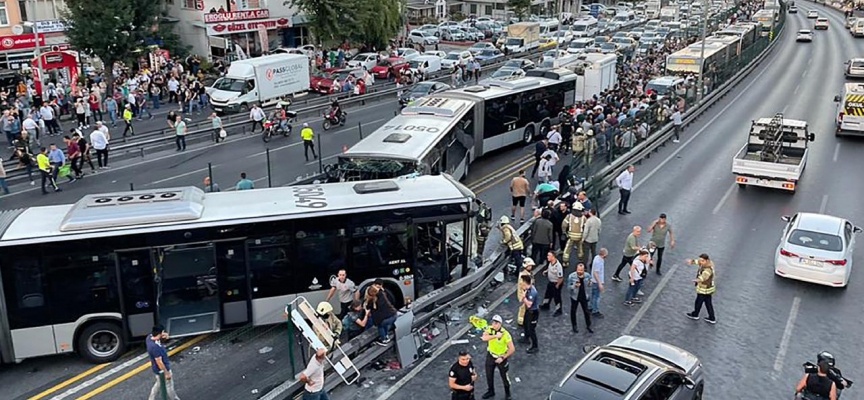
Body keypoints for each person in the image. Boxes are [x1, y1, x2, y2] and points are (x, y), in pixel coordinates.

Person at [480, 315, 514, 400]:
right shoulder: (489, 329)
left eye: (496, 323)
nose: (494, 325)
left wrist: (502, 357)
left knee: (504, 376)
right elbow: (484, 338)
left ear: (500, 324)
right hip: (491, 355)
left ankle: (508, 393)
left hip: (501, 357)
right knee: (489, 375)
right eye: (493, 322)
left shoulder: (505, 334)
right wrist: (495, 336)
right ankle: (491, 391)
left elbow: (512, 349)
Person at [146, 326, 180, 400]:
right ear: (160, 333)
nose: (164, 333)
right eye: (163, 332)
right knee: (169, 385)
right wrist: (166, 373)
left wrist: (164, 338)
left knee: (159, 383)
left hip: (156, 369)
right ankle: (174, 398)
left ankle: (151, 398)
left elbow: (158, 339)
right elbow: (159, 362)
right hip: (161, 369)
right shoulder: (154, 348)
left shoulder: (149, 338)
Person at [685, 253, 716, 324]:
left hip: (704, 289)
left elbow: (704, 276)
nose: (700, 262)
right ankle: (712, 317)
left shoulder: (708, 269)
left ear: (706, 260)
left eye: (702, 261)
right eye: (700, 260)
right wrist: (692, 261)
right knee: (708, 303)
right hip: (709, 289)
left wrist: (698, 279)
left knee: (698, 302)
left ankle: (695, 314)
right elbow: (698, 261)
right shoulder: (706, 263)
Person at [366, 281, 398, 346]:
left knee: (380, 326)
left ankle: (383, 340)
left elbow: (368, 307)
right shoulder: (382, 295)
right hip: (394, 315)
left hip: (386, 318)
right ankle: (386, 336)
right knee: (384, 324)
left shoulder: (372, 302)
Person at [567, 263, 593, 333]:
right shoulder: (571, 276)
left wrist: (589, 283)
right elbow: (568, 288)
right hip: (575, 296)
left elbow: (590, 285)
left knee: (586, 311)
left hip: (584, 296)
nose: (580, 271)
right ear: (576, 269)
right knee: (573, 311)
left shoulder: (587, 275)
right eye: (579, 270)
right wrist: (574, 286)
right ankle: (574, 326)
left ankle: (588, 325)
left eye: (581, 270)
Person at [540, 251, 564, 316]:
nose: (547, 257)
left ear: (553, 257)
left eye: (549, 255)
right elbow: (550, 268)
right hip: (551, 282)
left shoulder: (558, 266)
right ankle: (546, 305)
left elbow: (560, 277)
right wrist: (546, 271)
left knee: (557, 297)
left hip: (556, 283)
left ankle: (559, 310)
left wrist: (557, 285)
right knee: (548, 294)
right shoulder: (550, 262)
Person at [520, 274, 539, 354]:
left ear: (525, 282)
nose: (520, 284)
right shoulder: (527, 289)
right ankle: (526, 338)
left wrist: (524, 297)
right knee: (525, 324)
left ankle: (535, 346)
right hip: (528, 311)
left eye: (522, 282)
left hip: (533, 312)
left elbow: (529, 304)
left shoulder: (532, 292)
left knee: (532, 330)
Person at [516, 257, 535, 338]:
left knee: (524, 307)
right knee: (523, 307)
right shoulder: (524, 275)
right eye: (530, 266)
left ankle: (522, 319)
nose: (531, 267)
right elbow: (525, 286)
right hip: (524, 294)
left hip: (525, 293)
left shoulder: (526, 273)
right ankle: (521, 320)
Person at [590, 248, 608, 318]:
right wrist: (600, 283)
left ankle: (590, 306)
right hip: (596, 282)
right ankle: (595, 310)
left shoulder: (596, 258)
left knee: (593, 295)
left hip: (594, 281)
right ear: (604, 254)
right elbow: (595, 273)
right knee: (596, 297)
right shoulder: (599, 261)